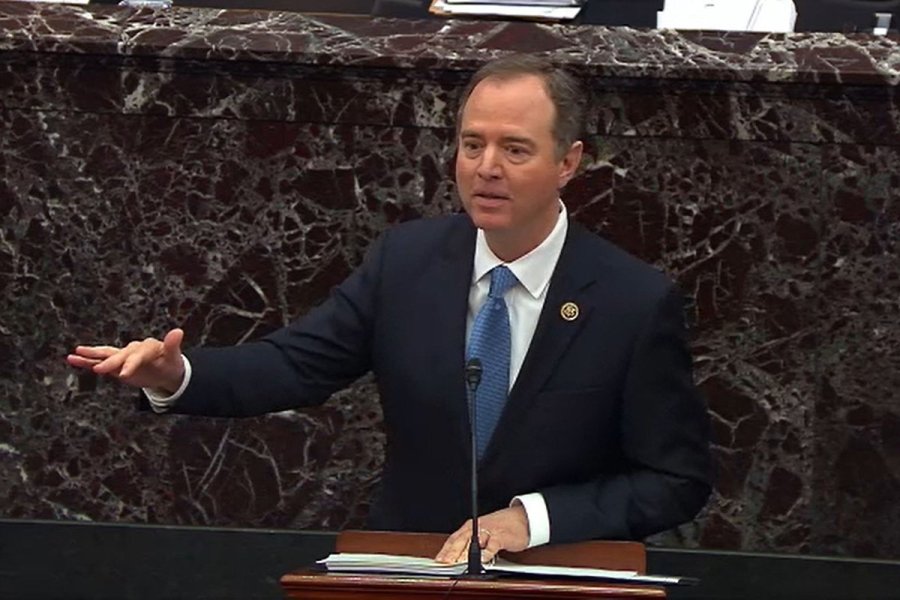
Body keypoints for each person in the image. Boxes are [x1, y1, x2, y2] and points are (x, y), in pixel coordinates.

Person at [68, 54, 712, 564]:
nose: (486, 168)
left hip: (558, 572)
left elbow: (674, 479)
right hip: (412, 566)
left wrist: (532, 518)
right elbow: (292, 365)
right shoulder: (406, 263)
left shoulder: (630, 300)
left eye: (515, 149)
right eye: (471, 145)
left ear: (568, 162)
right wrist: (174, 377)